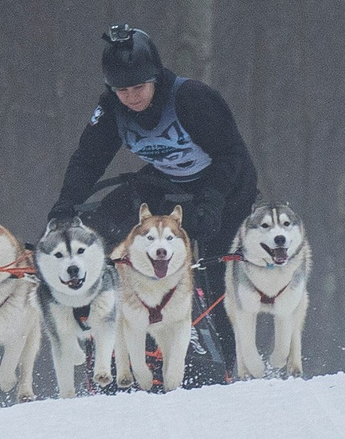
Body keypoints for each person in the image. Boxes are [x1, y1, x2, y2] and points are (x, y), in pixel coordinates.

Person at [45, 25, 259, 382]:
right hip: (169, 183)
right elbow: (88, 159)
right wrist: (64, 207)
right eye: (122, 89)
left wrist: (212, 203)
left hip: (226, 186)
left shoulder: (191, 98)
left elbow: (231, 154)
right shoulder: (113, 109)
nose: (130, 97)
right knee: (104, 222)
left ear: (155, 78)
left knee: (213, 270)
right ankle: (114, 338)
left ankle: (228, 366)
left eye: (138, 87)